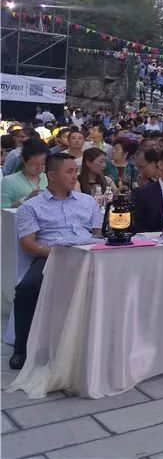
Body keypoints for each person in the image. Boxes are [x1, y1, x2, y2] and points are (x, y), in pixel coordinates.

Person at [11, 153, 102, 369]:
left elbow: (98, 233)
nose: (74, 176)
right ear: (51, 175)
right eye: (69, 171)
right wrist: (57, 253)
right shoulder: (31, 207)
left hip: (88, 252)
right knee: (27, 289)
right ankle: (21, 349)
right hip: (51, 255)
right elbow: (28, 244)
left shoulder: (87, 202)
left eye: (75, 171)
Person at [1, 141, 49, 209]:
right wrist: (26, 200)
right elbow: (3, 207)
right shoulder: (8, 181)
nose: (39, 168)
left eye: (43, 164)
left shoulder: (48, 178)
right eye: (34, 165)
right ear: (24, 161)